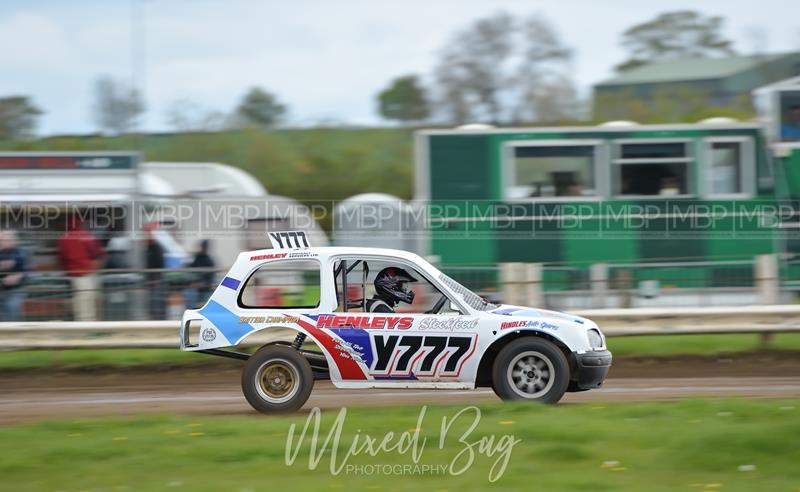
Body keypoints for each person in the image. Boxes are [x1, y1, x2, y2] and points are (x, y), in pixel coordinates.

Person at [58, 215, 104, 321]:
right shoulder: (86, 236)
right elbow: (97, 254)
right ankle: (89, 327)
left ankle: (81, 325)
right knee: (89, 302)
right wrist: (95, 269)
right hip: (87, 274)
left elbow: (61, 258)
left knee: (80, 303)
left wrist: (66, 270)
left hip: (72, 275)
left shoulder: (63, 238)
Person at [0, 230, 28, 321]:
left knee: (11, 308)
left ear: (13, 240)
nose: (2, 242)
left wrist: (19, 276)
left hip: (15, 290)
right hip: (1, 289)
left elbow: (27, 271)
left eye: (4, 240)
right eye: (1, 240)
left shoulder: (22, 253)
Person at [184, 239, 216, 309]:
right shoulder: (196, 258)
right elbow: (190, 270)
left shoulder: (209, 261)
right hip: (194, 287)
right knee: (189, 293)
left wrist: (201, 284)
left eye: (201, 247)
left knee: (196, 299)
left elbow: (210, 279)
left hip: (204, 290)